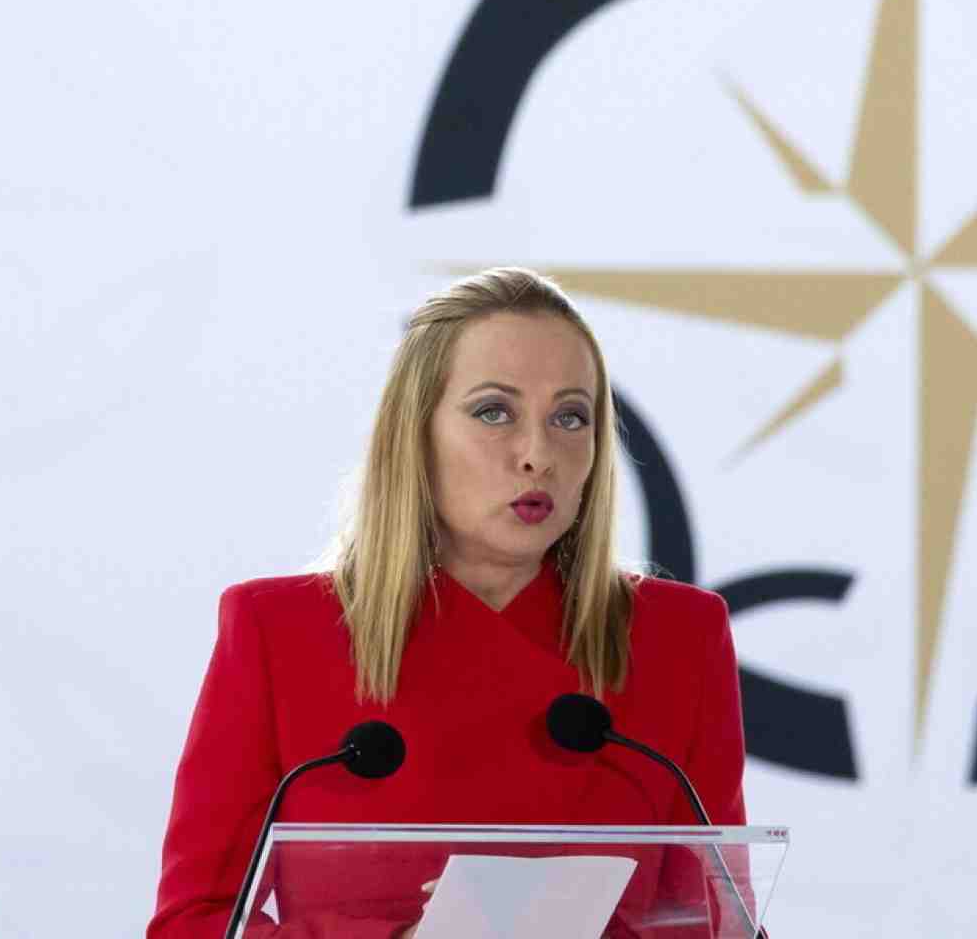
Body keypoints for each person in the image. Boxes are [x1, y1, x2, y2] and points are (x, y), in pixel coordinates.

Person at [148, 267, 749, 938]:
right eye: (494, 412)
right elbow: (193, 922)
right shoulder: (279, 631)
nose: (538, 455)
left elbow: (714, 921)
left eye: (569, 417)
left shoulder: (678, 637)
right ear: (415, 432)